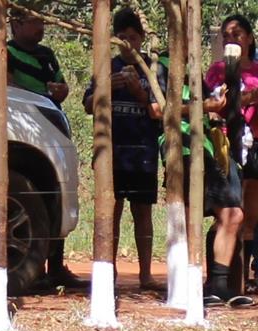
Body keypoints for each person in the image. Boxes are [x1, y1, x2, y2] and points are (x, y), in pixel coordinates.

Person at [153, 48, 248, 306]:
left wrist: (216, 107)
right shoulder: (161, 66)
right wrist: (204, 107)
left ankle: (217, 284)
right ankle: (181, 285)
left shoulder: (192, 71)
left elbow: (209, 109)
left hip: (205, 149)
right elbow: (156, 109)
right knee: (186, 216)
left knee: (233, 213)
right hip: (179, 148)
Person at [82, 8, 162, 291]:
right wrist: (107, 88)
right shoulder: (105, 66)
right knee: (110, 213)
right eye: (122, 37)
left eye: (133, 37)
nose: (128, 42)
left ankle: (146, 274)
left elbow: (161, 111)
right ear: (115, 38)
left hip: (143, 153)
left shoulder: (153, 71)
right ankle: (108, 273)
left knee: (143, 214)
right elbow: (89, 104)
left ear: (141, 39)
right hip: (111, 154)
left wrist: (140, 93)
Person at [7, 8, 87, 289]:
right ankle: (34, 267)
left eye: (42, 21)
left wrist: (59, 91)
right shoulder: (6, 52)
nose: (40, 26)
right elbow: (7, 84)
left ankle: (56, 266)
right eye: (34, 20)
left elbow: (63, 86)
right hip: (20, 123)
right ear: (16, 24)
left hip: (49, 124)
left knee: (56, 191)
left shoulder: (47, 55)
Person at [204, 14, 258, 293]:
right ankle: (216, 282)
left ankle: (240, 283)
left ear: (249, 38)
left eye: (237, 34)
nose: (231, 39)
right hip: (224, 144)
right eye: (226, 35)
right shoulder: (217, 71)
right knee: (226, 213)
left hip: (252, 145)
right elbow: (214, 106)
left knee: (248, 215)